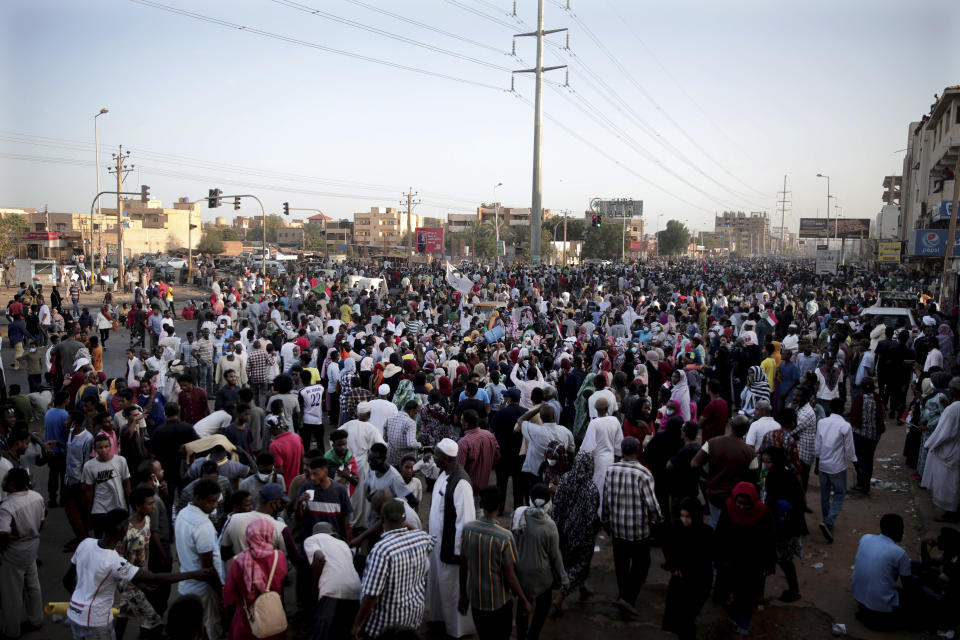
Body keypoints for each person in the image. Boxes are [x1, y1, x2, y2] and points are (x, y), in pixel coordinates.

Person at [64, 508, 212, 640]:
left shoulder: (85, 544)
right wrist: (193, 574)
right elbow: (154, 578)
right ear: (120, 529)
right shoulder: (114, 561)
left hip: (74, 613)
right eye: (127, 526)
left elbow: (67, 580)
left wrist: (81, 601)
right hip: (95, 621)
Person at [352, 498, 436, 639]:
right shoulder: (422, 538)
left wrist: (357, 624)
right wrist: (403, 524)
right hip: (413, 617)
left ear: (382, 520)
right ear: (404, 519)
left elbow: (372, 595)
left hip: (386, 625)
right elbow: (431, 539)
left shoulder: (382, 550)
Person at [458, 485, 531, 639]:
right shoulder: (504, 536)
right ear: (500, 505)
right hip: (498, 603)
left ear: (481, 505)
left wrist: (463, 595)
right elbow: (510, 576)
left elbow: (463, 566)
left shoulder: (468, 529)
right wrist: (524, 600)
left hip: (476, 600)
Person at [601, 435, 662, 615]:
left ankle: (623, 595)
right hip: (638, 530)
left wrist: (606, 521)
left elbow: (606, 499)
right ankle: (629, 597)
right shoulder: (643, 473)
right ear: (637, 451)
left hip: (618, 527)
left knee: (621, 564)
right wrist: (658, 519)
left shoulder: (611, 470)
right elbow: (652, 505)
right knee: (642, 563)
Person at [426, 437, 476, 638]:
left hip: (452, 550)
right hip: (437, 546)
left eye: (436, 454)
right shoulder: (444, 474)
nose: (433, 456)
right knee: (438, 586)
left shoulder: (461, 483)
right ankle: (439, 621)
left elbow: (465, 523)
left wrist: (459, 554)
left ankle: (457, 630)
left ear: (446, 458)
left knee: (452, 590)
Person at [714, 482, 776, 636]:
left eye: (745, 504)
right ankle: (734, 616)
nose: (741, 507)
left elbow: (769, 539)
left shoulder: (762, 513)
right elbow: (720, 534)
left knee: (746, 596)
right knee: (723, 592)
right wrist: (719, 556)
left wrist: (768, 563)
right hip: (729, 560)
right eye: (739, 503)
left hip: (751, 563)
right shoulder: (728, 509)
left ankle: (743, 624)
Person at [174, 477, 226, 640]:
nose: (215, 506)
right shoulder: (203, 525)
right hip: (204, 590)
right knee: (209, 628)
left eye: (217, 501)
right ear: (197, 498)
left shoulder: (183, 513)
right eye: (211, 502)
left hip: (187, 585)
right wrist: (221, 591)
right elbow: (208, 569)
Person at [512, 483, 566, 640]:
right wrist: (564, 578)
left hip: (521, 574)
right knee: (542, 609)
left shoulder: (519, 516)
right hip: (543, 577)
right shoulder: (549, 526)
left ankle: (521, 636)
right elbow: (555, 556)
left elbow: (512, 541)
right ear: (549, 502)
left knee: (522, 607)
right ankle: (533, 635)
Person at [550, 451, 601, 616]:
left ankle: (583, 587)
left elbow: (556, 505)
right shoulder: (591, 488)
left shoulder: (564, 479)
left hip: (562, 530)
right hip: (581, 535)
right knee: (580, 564)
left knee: (570, 561)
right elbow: (590, 517)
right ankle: (560, 598)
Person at [222, 518, 289, 640]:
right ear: (269, 534)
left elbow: (228, 596)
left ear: (248, 535)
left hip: (247, 622)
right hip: (273, 621)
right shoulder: (279, 557)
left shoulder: (238, 562)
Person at [0, 468, 44, 640]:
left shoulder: (7, 506)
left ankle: (11, 630)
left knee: (11, 593)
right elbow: (41, 522)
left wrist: (5, 546)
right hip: (32, 546)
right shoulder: (37, 496)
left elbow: (3, 534)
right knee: (33, 585)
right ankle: (36, 619)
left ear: (11, 484)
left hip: (14, 552)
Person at [691, 415, 758, 528]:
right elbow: (754, 478)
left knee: (715, 523)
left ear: (730, 425)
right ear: (746, 430)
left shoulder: (712, 443)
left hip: (714, 494)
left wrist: (707, 477)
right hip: (736, 498)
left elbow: (694, 463)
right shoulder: (750, 452)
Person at [661, 497, 713, 640]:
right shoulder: (676, 527)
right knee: (679, 618)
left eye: (688, 516)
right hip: (680, 581)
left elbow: (708, 560)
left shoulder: (706, 534)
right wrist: (673, 567)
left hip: (698, 583)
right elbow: (668, 548)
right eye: (682, 516)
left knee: (687, 617)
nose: (685, 520)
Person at [761, 446, 808, 602]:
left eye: (768, 462)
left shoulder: (778, 477)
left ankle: (792, 590)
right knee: (782, 560)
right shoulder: (787, 474)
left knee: (781, 559)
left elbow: (773, 502)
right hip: (783, 524)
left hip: (782, 525)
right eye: (765, 462)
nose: (766, 465)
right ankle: (793, 589)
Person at [851, 513, 912, 631]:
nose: (902, 532)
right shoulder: (900, 553)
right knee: (913, 600)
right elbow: (908, 586)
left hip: (859, 596)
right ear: (897, 530)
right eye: (901, 529)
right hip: (879, 605)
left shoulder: (866, 537)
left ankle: (868, 612)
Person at [304, 522, 361, 640]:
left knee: (323, 633)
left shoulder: (311, 540)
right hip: (355, 590)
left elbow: (319, 558)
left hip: (331, 590)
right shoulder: (343, 544)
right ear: (333, 534)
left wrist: (314, 589)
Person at [815, 396, 857, 542]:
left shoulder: (822, 422)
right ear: (843, 409)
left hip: (823, 465)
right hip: (837, 466)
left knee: (824, 495)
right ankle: (829, 521)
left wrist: (817, 462)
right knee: (839, 494)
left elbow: (817, 446)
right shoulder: (845, 426)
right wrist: (854, 461)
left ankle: (828, 522)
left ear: (830, 409)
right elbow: (849, 449)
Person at [922, 377, 960, 522]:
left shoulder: (953, 409)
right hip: (955, 449)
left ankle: (951, 513)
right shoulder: (952, 407)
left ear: (953, 392)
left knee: (949, 484)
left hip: (950, 450)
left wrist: (930, 444)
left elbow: (943, 432)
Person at [82, 433, 131, 537]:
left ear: (110, 447)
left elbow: (126, 484)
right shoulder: (89, 466)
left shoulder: (121, 461)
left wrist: (130, 505)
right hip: (99, 508)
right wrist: (88, 513)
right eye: (100, 447)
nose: (103, 450)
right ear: (94, 449)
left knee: (118, 539)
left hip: (118, 507)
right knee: (99, 540)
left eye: (106, 446)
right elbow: (89, 491)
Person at [580, 396, 623, 511]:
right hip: (612, 459)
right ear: (608, 408)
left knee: (599, 488)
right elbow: (619, 444)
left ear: (595, 409)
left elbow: (587, 447)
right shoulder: (615, 421)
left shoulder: (594, 423)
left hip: (598, 460)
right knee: (612, 488)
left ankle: (598, 515)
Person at [295, 458, 352, 541]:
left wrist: (347, 544)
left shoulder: (340, 491)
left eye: (315, 474)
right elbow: (298, 518)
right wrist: (300, 502)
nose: (312, 478)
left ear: (325, 472)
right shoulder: (306, 488)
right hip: (312, 542)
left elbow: (345, 522)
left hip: (334, 543)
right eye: (311, 474)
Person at [850, 377, 885, 494]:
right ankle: (866, 484)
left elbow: (854, 416)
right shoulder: (877, 398)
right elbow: (881, 415)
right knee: (869, 460)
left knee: (859, 459)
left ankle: (861, 483)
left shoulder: (859, 398)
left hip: (860, 435)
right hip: (874, 436)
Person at [456, 409, 500, 491]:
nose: (460, 421)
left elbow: (459, 469)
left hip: (469, 486)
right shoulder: (489, 435)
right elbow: (497, 456)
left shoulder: (463, 442)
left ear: (466, 423)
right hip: (485, 482)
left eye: (462, 419)